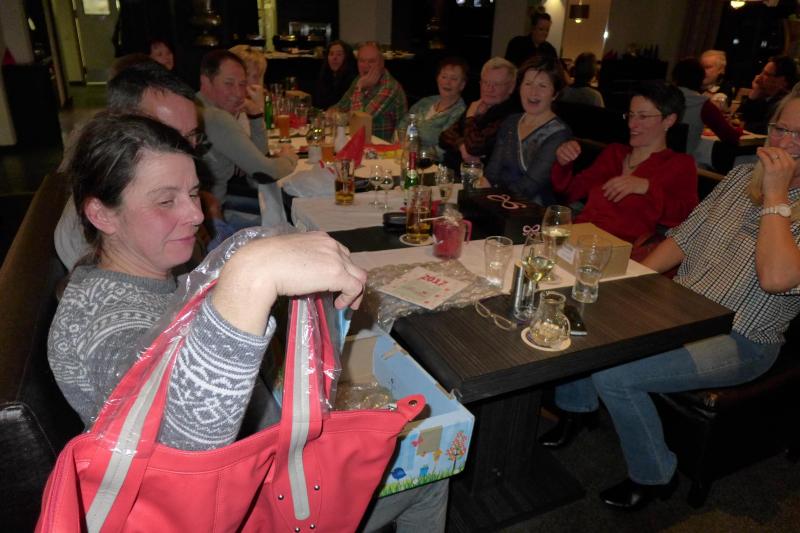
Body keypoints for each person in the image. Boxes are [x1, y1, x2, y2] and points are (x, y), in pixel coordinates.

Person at [49, 112, 448, 533]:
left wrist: (262, 249)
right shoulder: (99, 323)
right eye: (165, 201)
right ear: (102, 215)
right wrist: (252, 274)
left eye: (193, 193)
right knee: (429, 477)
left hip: (257, 468)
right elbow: (179, 447)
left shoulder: (147, 273)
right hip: (243, 508)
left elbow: (198, 302)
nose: (195, 214)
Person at [539, 86, 800, 511]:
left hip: (743, 339)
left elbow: (776, 278)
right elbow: (683, 238)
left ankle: (655, 475)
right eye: (780, 129)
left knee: (616, 376)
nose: (786, 143)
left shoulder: (775, 193)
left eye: (799, 135)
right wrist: (628, 283)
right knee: (581, 309)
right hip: (682, 310)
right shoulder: (739, 180)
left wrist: (776, 196)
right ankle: (578, 408)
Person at [54, 61, 203, 270]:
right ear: (125, 123)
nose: (188, 149)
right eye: (168, 135)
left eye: (192, 135)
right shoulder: (89, 229)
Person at [551, 81, 697, 246]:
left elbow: (687, 217)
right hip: (577, 240)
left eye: (643, 116)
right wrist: (564, 163)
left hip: (621, 252)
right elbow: (570, 193)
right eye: (631, 115)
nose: (631, 124)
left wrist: (647, 187)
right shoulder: (614, 153)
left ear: (669, 120)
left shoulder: (678, 164)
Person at [197, 50, 297, 225]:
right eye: (229, 83)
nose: (238, 93)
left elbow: (258, 163)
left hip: (205, 211)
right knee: (290, 216)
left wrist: (255, 115)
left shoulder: (195, 106)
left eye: (242, 84)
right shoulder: (217, 118)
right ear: (206, 81)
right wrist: (290, 158)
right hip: (212, 220)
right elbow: (264, 173)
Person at [484, 56, 571, 204]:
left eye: (542, 86)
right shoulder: (511, 121)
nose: (533, 92)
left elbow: (528, 187)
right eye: (528, 83)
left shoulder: (558, 133)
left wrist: (492, 198)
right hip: (498, 200)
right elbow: (492, 171)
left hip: (532, 208)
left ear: (555, 94)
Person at [439, 56, 519, 173]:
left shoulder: (510, 115)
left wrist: (470, 117)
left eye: (497, 84)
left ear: (511, 87)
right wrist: (462, 146)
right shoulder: (479, 105)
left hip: (477, 178)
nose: (489, 89)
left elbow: (474, 147)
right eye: (485, 82)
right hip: (450, 171)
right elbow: (444, 137)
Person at [330, 41, 407, 141]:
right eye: (361, 61)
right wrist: (337, 114)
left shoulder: (389, 87)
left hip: (383, 147)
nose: (366, 65)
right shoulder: (360, 79)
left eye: (371, 61)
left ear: (382, 63)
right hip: (362, 143)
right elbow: (338, 107)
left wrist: (359, 88)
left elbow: (359, 122)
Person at [396, 57, 468, 160]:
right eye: (444, 77)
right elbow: (403, 123)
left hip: (428, 163)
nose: (447, 82)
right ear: (437, 79)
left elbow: (443, 149)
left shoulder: (460, 113)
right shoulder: (426, 102)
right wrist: (403, 143)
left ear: (462, 85)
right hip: (403, 155)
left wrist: (415, 153)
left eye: (454, 79)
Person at [671, 57, 741, 160]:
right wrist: (739, 129)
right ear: (701, 80)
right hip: (683, 162)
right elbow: (731, 137)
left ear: (674, 77)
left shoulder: (660, 98)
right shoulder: (703, 105)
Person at [737, 55, 797, 134]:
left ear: (783, 81)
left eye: (767, 74)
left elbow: (766, 128)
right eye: (762, 72)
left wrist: (742, 125)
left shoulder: (786, 104)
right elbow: (739, 116)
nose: (759, 77)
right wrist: (753, 95)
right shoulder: (765, 97)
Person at [314, 40, 358, 110]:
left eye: (339, 54)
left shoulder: (353, 80)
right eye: (331, 54)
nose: (334, 58)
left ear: (347, 57)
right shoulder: (324, 76)